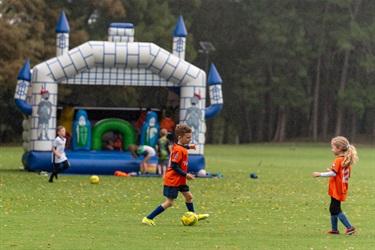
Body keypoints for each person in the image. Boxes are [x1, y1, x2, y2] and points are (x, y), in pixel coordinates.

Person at [142, 124, 209, 226]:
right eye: (188, 138)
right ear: (179, 137)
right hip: (173, 180)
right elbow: (174, 166)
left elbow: (182, 146)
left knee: (189, 197)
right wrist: (185, 175)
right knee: (169, 203)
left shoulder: (180, 146)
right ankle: (148, 218)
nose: (190, 139)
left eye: (190, 137)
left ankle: (193, 215)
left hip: (180, 179)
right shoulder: (178, 150)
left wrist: (189, 146)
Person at [312, 136, 359, 235]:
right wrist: (332, 172)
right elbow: (342, 174)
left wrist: (320, 174)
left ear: (339, 149)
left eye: (333, 147)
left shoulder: (338, 160)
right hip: (342, 187)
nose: (331, 150)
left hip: (337, 188)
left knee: (335, 209)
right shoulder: (345, 161)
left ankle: (350, 228)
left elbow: (333, 174)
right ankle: (334, 230)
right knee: (333, 208)